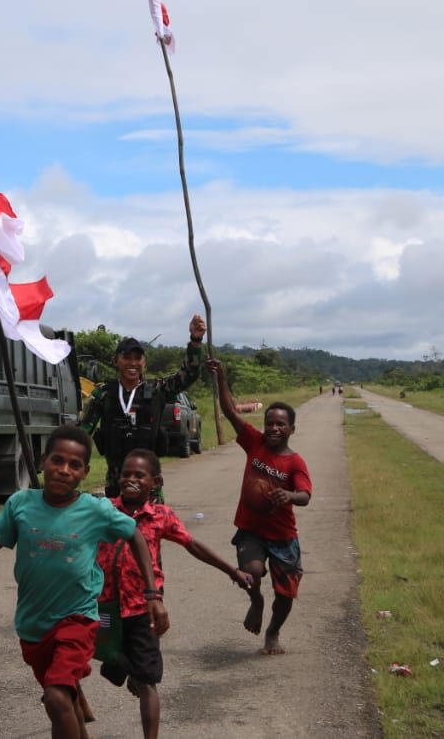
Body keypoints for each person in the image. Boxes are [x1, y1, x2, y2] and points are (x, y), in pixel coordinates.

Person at [0, 426, 166, 739]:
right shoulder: (20, 504)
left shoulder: (96, 510)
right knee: (65, 700)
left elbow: (135, 535)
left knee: (56, 696)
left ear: (85, 472)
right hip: (33, 625)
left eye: (74, 465)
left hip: (78, 619)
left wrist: (152, 592)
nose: (64, 470)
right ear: (43, 461)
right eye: (57, 461)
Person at [96, 449, 252, 738]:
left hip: (143, 609)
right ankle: (125, 669)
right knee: (103, 654)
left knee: (147, 683)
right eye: (125, 474)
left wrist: (233, 571)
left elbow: (192, 545)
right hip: (105, 607)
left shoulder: (160, 516)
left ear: (156, 482)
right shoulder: (104, 510)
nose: (130, 480)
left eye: (139, 476)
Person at [206, 358, 312, 656]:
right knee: (250, 572)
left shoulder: (294, 461)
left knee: (286, 594)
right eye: (270, 423)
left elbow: (305, 495)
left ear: (291, 428)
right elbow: (229, 410)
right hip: (251, 530)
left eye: (281, 424)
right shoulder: (254, 443)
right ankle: (256, 601)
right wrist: (221, 377)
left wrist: (289, 496)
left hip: (283, 536)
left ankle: (273, 631)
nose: (274, 428)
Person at [81, 315, 206, 497]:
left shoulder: (158, 390)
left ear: (144, 363)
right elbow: (83, 433)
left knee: (152, 525)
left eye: (137, 358)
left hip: (149, 484)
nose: (132, 363)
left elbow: (189, 375)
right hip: (116, 482)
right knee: (116, 525)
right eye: (126, 357)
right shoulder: (103, 393)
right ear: (115, 361)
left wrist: (195, 341)